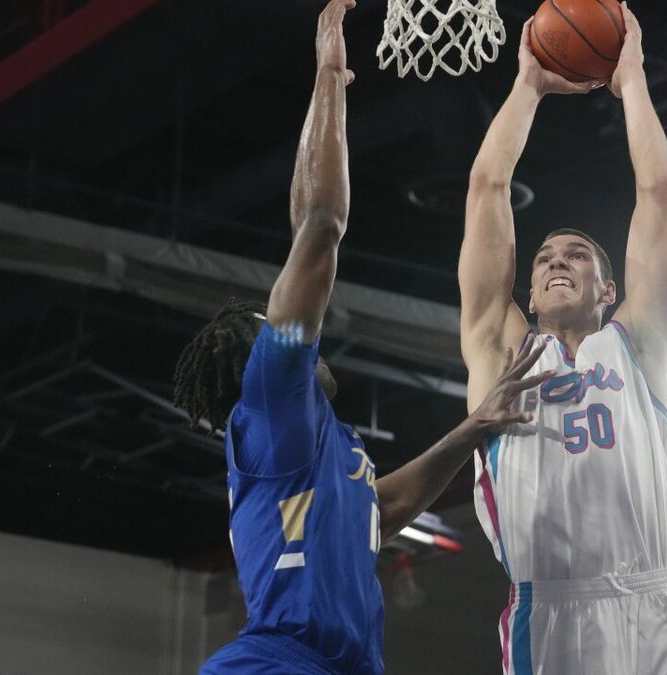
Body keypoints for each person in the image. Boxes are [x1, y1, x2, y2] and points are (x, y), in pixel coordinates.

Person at [174, 2, 553, 672]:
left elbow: (389, 503)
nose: (306, 339)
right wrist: (327, 74)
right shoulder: (269, 401)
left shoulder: (320, 449)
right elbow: (318, 224)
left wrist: (476, 427)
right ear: (257, 357)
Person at [458, 4, 667, 673]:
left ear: (609, 290)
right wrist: (528, 86)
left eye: (576, 254)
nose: (556, 260)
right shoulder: (502, 350)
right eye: (543, 258)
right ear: (529, 294)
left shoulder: (638, 345)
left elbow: (657, 193)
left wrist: (633, 80)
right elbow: (487, 188)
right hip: (554, 610)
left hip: (657, 602)